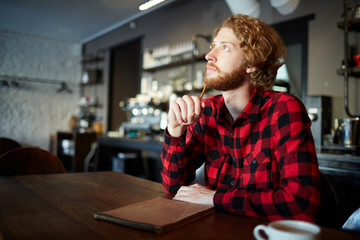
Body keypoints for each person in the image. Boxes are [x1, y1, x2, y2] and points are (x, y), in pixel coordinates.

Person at [160, 14, 320, 222]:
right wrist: (174, 129)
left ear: (251, 63)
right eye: (213, 45)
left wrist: (217, 198)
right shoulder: (206, 112)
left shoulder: (283, 109)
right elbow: (173, 186)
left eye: (225, 47)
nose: (209, 55)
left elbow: (302, 204)